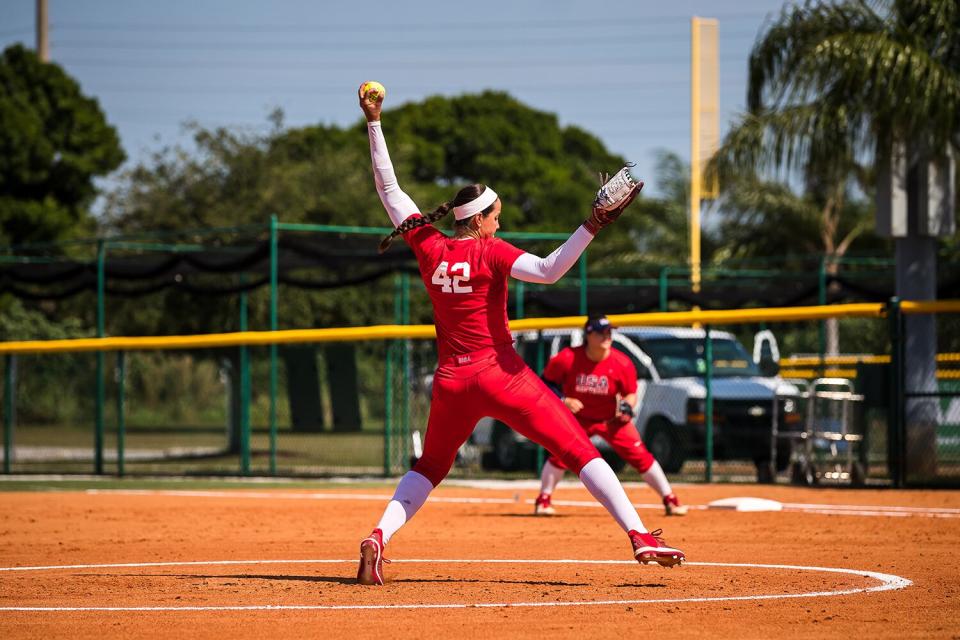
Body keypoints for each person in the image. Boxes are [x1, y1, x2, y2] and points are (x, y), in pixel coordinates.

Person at [355, 83, 684, 586]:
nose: (499, 221)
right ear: (481, 221)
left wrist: (374, 122)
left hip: (451, 381)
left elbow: (390, 190)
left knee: (430, 467)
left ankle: (380, 535)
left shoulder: (430, 247)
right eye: (496, 215)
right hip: (501, 375)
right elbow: (552, 269)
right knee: (579, 450)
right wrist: (593, 225)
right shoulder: (492, 251)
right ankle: (640, 534)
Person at [533, 315, 689, 517]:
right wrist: (563, 400)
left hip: (610, 420)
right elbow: (544, 384)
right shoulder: (568, 358)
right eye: (601, 332)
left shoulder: (621, 363)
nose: (607, 336)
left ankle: (670, 499)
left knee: (640, 456)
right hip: (578, 419)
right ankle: (543, 500)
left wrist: (627, 406)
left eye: (609, 332)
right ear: (588, 335)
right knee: (560, 455)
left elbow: (630, 393)